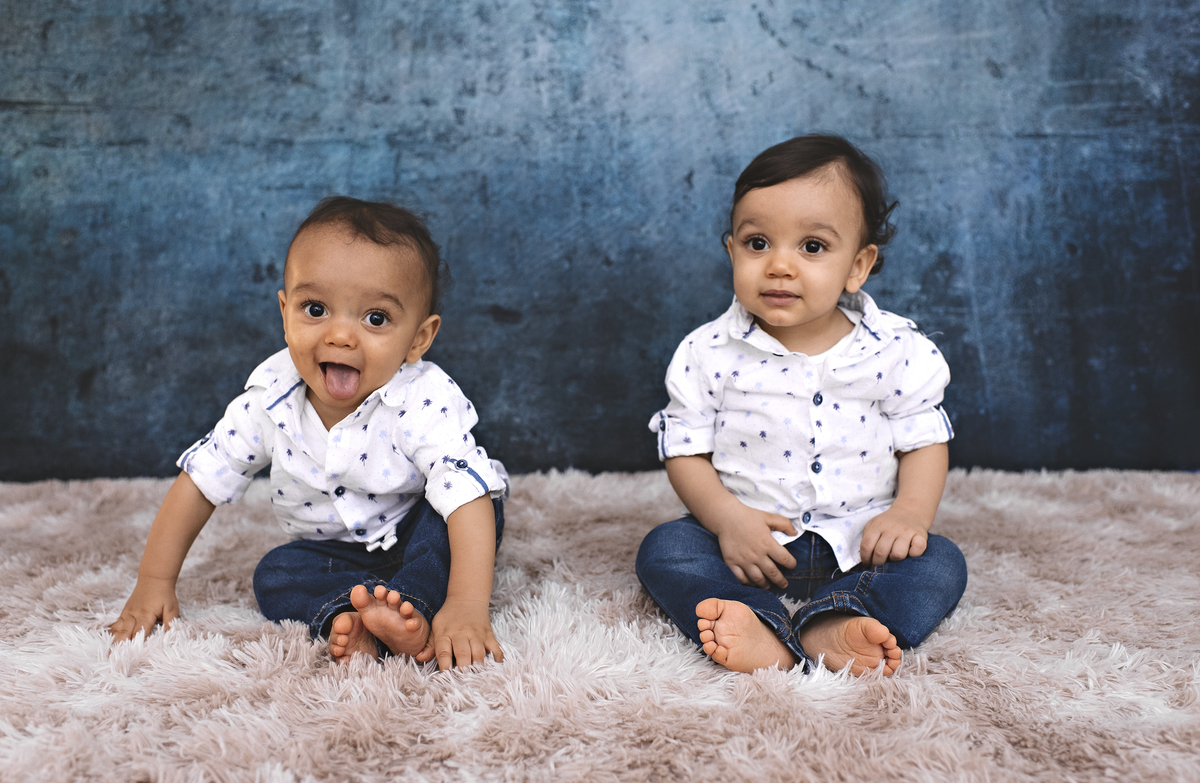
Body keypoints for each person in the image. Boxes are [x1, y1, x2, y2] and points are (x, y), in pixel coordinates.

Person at [109, 196, 508, 671]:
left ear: (419, 338)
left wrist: (467, 605)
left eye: (375, 318)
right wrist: (155, 580)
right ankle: (352, 615)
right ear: (284, 311)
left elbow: (465, 498)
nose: (340, 336)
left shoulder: (422, 399)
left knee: (452, 525)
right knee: (275, 574)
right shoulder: (269, 400)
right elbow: (202, 479)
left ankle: (417, 607)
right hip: (333, 550)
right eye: (315, 308)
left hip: (416, 524)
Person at [636, 135, 967, 675]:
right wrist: (726, 521)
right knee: (666, 548)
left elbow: (924, 438)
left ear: (858, 266)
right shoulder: (707, 352)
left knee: (940, 562)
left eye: (812, 247)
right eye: (758, 243)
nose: (780, 266)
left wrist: (908, 514)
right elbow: (685, 451)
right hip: (746, 544)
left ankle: (838, 620)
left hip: (862, 541)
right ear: (731, 251)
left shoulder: (895, 349)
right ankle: (756, 621)